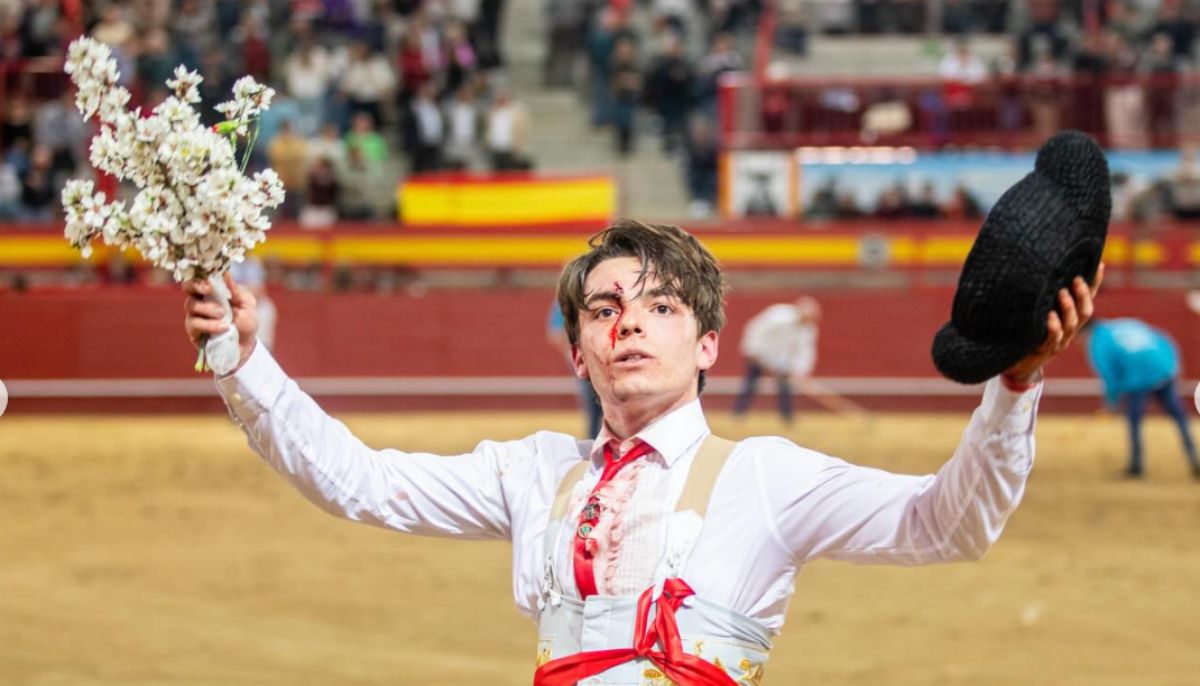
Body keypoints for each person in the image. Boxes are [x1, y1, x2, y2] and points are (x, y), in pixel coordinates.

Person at [183, 220, 1097, 683]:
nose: (628, 325)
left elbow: (948, 524)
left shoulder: (764, 477)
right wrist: (242, 358)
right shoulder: (533, 472)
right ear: (577, 351)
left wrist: (1014, 384)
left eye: (661, 307)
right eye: (604, 310)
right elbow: (358, 480)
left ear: (707, 345)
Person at [1083, 318, 1200, 479]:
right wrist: (1173, 367)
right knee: (1179, 417)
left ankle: (1136, 466)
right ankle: (1195, 459)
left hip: (1138, 379)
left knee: (1134, 421)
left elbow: (1110, 376)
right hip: (1163, 370)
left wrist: (1111, 403)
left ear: (1084, 333)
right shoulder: (1127, 324)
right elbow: (1163, 339)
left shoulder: (1098, 342)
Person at [732, 297, 820, 424]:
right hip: (760, 354)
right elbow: (756, 329)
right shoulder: (778, 316)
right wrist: (752, 350)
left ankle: (787, 418)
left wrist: (800, 371)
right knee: (750, 384)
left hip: (780, 361)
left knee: (784, 387)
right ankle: (738, 413)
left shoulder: (808, 329)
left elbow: (805, 352)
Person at [547, 299, 603, 439]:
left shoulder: (566, 300)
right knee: (598, 404)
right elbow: (556, 334)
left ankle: (596, 440)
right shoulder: (567, 300)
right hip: (591, 358)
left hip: (593, 358)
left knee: (595, 405)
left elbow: (555, 333)